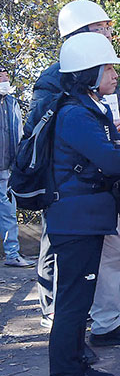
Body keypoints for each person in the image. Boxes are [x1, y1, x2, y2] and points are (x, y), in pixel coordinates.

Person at [29, 0, 120, 351]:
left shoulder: (100, 77)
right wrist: (107, 145)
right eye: (102, 26)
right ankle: (65, 337)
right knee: (66, 267)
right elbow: (45, 133)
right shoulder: (56, 82)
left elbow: (114, 120)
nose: (110, 30)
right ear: (80, 35)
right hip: (70, 191)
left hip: (99, 191)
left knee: (109, 257)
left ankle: (106, 324)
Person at [48, 32, 120, 376]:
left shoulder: (85, 110)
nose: (114, 75)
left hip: (80, 218)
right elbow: (115, 162)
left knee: (78, 300)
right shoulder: (77, 115)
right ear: (88, 73)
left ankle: (74, 365)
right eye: (108, 68)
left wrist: (115, 144)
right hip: (77, 221)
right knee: (73, 302)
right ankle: (67, 371)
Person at [0, 70, 35, 267]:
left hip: (7, 169)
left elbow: (19, 133)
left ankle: (12, 255)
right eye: (0, 77)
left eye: (5, 76)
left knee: (8, 212)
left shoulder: (12, 103)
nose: (5, 80)